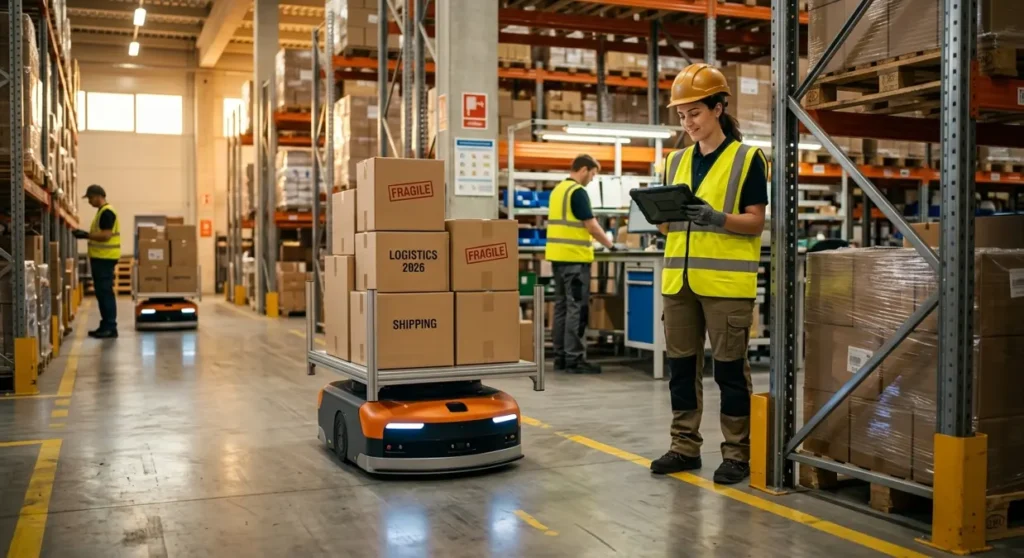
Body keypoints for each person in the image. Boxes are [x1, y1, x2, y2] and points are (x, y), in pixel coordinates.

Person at [648, 64, 769, 485]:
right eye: (682, 115)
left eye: (695, 113)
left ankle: (737, 453)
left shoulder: (747, 159)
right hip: (678, 283)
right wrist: (658, 215)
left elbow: (755, 222)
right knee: (681, 370)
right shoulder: (674, 161)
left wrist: (717, 217)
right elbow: (669, 228)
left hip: (725, 285)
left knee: (729, 372)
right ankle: (684, 446)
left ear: (719, 108)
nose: (688, 123)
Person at [544, 154, 616, 375]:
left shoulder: (558, 191)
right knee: (576, 308)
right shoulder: (577, 192)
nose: (592, 179)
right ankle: (574, 359)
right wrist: (611, 245)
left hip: (558, 258)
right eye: (592, 174)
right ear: (584, 169)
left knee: (562, 308)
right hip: (575, 260)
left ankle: (561, 357)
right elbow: (591, 226)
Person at [75, 185, 121, 339]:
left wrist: (86, 235)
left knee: (105, 293)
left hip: (104, 258)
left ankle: (110, 327)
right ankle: (106, 325)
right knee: (102, 293)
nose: (89, 201)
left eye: (90, 198)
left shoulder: (107, 212)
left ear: (98, 196)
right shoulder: (102, 212)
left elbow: (106, 235)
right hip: (101, 258)